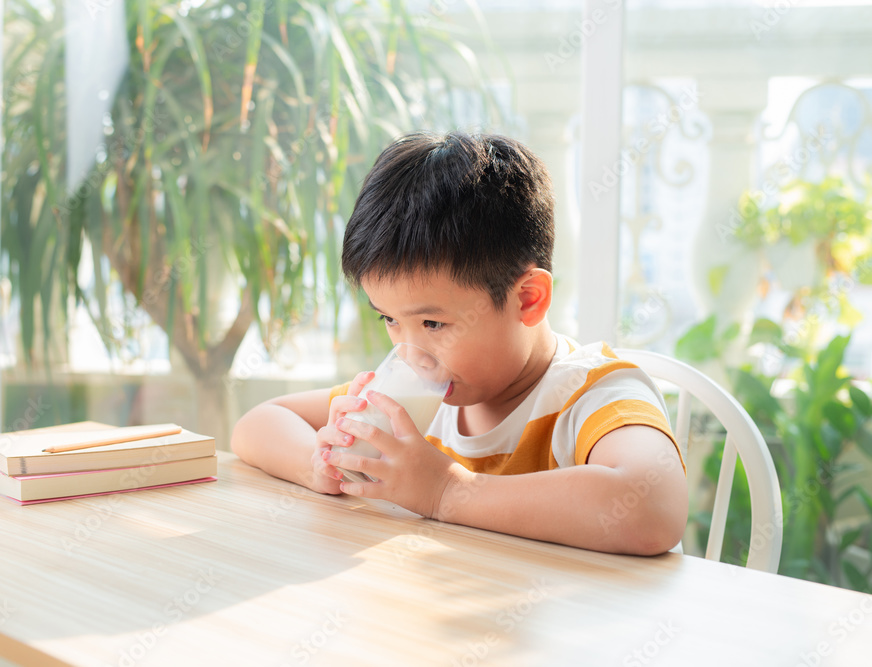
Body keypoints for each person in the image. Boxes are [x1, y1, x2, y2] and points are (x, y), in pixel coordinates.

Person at [231, 131, 687, 556]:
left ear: (527, 299)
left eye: (432, 323)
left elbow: (652, 507)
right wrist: (317, 466)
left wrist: (447, 491)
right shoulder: (412, 404)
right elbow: (259, 423)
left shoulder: (592, 395)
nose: (412, 355)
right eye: (390, 319)